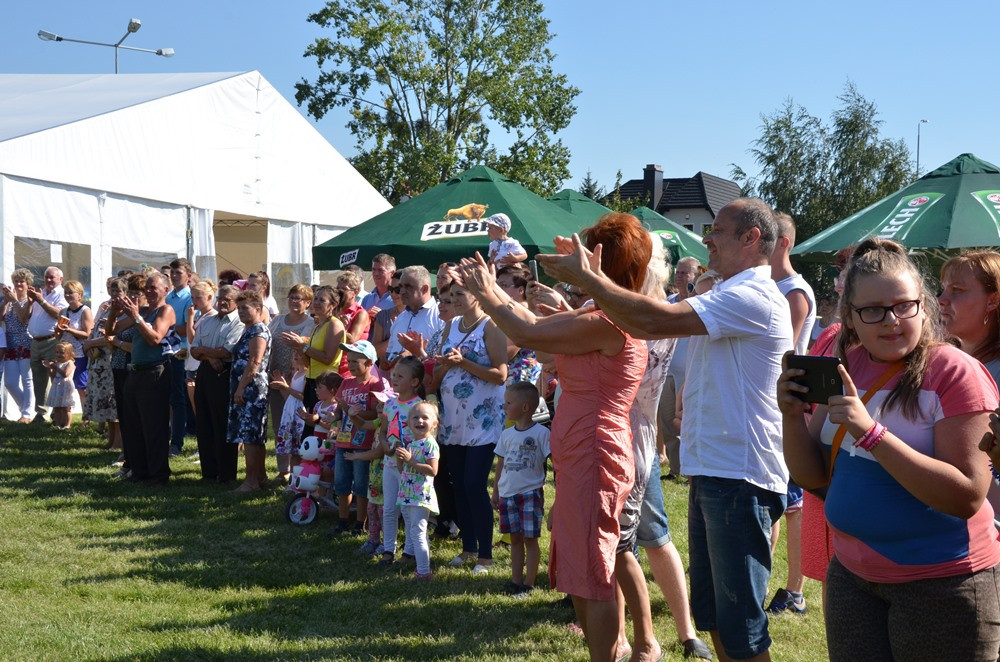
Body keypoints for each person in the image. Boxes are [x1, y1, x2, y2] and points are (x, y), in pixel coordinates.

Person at [537, 199, 791, 662]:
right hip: (716, 471)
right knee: (717, 616)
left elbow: (651, 320)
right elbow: (643, 317)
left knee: (742, 629)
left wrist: (590, 280)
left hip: (741, 477)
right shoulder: (727, 293)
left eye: (716, 229)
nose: (707, 238)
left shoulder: (750, 295)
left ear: (751, 238)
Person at [780, 238, 1000, 661]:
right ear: (851, 317)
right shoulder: (847, 366)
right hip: (852, 576)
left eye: (904, 305)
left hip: (943, 582)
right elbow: (812, 477)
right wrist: (791, 416)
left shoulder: (955, 373)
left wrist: (872, 435)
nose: (892, 321)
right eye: (874, 311)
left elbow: (968, 495)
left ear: (923, 304)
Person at [457, 212, 657, 662]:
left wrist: (488, 292)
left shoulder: (610, 322)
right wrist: (542, 306)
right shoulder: (600, 314)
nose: (581, 257)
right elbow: (544, 345)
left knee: (594, 568)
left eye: (590, 251)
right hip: (581, 449)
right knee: (586, 564)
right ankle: (613, 649)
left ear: (606, 260)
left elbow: (528, 333)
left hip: (595, 451)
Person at [436, 279, 508, 575]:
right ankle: (469, 547)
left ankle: (486, 555)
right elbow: (440, 367)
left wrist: (463, 362)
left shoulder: (491, 326)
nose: (454, 300)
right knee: (457, 485)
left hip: (483, 419)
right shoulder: (450, 326)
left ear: (478, 296)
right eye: (451, 295)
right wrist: (442, 366)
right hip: (453, 419)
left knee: (473, 484)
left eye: (460, 295)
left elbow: (500, 374)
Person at [765, 212, 816, 616]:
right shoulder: (770, 285)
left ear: (783, 243)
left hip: (785, 406)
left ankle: (795, 588)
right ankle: (765, 578)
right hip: (770, 404)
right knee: (775, 500)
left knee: (793, 505)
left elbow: (780, 348)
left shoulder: (794, 290)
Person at [938, 251, 1000, 523]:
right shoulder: (940, 365)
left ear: (993, 300)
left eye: (957, 290)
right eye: (943, 289)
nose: (941, 300)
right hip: (949, 525)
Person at [109, 272, 176, 487]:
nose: (148, 291)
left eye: (153, 287)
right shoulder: (144, 311)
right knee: (133, 425)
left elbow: (155, 337)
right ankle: (139, 471)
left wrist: (136, 317)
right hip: (135, 372)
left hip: (154, 373)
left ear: (166, 289)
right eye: (146, 287)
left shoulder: (166, 310)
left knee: (153, 426)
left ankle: (157, 475)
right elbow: (112, 330)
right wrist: (114, 312)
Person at [491, 381, 550, 596]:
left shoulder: (542, 433)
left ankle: (529, 583)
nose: (504, 406)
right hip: (507, 494)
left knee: (530, 539)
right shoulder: (507, 435)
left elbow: (553, 461)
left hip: (530, 493)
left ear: (525, 407)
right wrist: (496, 491)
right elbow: (501, 464)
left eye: (508, 403)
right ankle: (516, 581)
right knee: (514, 539)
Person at [367, 356, 425, 564]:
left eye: (400, 376)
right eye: (394, 375)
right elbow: (383, 431)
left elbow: (425, 439)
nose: (394, 379)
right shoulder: (390, 404)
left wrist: (407, 452)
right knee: (390, 509)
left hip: (410, 468)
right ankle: (388, 549)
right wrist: (383, 444)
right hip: (389, 464)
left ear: (414, 382)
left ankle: (409, 552)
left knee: (408, 511)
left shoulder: (419, 407)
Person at [189, 285, 244, 483]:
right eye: (220, 298)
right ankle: (208, 472)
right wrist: (210, 357)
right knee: (203, 422)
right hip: (204, 373)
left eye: (227, 299)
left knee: (222, 423)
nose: (222, 302)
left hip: (224, 374)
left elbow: (228, 351)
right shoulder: (207, 321)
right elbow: (194, 350)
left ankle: (226, 473)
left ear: (236, 302)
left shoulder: (239, 322)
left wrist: (206, 353)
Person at [329, 339, 384, 536]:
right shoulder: (346, 382)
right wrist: (334, 419)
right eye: (349, 361)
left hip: (364, 442)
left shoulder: (375, 385)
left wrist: (356, 414)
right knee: (342, 483)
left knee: (361, 485)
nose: (350, 365)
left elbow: (376, 413)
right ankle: (342, 521)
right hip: (344, 440)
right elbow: (340, 410)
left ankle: (361, 523)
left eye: (355, 361)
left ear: (369, 363)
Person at [280, 285, 345, 438]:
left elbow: (327, 358)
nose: (316, 302)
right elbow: (309, 360)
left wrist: (302, 346)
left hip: (326, 382)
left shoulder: (334, 325)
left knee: (319, 429)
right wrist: (298, 347)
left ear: (333, 305)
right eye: (315, 298)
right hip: (311, 381)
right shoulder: (317, 326)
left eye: (321, 300)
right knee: (308, 429)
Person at [657, 256, 700, 476]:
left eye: (685, 273)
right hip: (667, 372)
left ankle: (692, 470)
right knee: (667, 423)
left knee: (688, 423)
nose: (679, 276)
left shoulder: (699, 303)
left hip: (690, 374)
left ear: (696, 276)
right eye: (678, 272)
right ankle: (676, 469)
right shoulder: (669, 302)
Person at [268, 284, 315, 477]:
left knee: (298, 424)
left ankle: (299, 469)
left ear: (308, 303)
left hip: (298, 379)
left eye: (300, 298)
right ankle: (282, 470)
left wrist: (292, 373)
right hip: (276, 377)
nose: (295, 301)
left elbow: (308, 348)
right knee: (280, 423)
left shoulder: (311, 323)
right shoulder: (277, 320)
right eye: (292, 297)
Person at [228, 290, 272, 492]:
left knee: (251, 436)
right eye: (238, 308)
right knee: (253, 435)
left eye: (245, 308)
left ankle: (251, 481)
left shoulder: (258, 331)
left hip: (252, 389)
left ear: (258, 309)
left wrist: (241, 388)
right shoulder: (248, 330)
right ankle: (260, 477)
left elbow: (255, 361)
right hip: (246, 387)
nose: (241, 312)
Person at [393, 400, 441, 581]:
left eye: (425, 417)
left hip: (420, 495)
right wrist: (400, 457)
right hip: (407, 495)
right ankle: (422, 567)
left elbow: (433, 470)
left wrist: (411, 461)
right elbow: (403, 470)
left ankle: (424, 572)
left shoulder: (430, 444)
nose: (420, 421)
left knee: (417, 532)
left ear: (434, 423)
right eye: (415, 417)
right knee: (415, 531)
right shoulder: (411, 443)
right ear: (408, 422)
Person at [83, 277, 124, 449]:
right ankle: (110, 439)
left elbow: (111, 335)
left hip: (111, 359)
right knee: (106, 403)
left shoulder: (123, 309)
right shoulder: (106, 307)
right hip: (99, 360)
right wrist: (90, 345)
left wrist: (92, 343)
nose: (114, 294)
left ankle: (117, 442)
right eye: (112, 290)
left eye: (118, 291)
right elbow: (95, 329)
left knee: (113, 402)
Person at [28, 266, 68, 423]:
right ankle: (41, 413)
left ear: (60, 279)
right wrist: (31, 302)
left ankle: (56, 412)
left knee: (55, 377)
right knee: (38, 379)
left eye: (52, 277)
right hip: (36, 342)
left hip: (52, 341)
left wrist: (41, 300)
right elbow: (28, 316)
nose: (49, 280)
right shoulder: (41, 292)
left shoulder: (61, 294)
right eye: (46, 277)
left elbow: (59, 314)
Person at [383, 266, 442, 370]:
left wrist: (413, 354)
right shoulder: (400, 318)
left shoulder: (440, 316)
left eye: (408, 287)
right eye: (400, 286)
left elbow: (443, 359)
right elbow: (389, 353)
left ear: (424, 289)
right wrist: (386, 361)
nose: (401, 291)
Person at [166, 258, 194, 457]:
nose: (174, 276)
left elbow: (186, 329)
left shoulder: (190, 298)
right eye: (172, 273)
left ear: (188, 276)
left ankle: (177, 442)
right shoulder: (169, 296)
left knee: (179, 399)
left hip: (181, 353)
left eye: (179, 273)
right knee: (169, 398)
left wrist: (164, 326)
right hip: (165, 350)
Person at [2, 270, 36, 422]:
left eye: (21, 281)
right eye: (16, 281)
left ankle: (27, 414)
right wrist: (6, 301)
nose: (18, 284)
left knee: (27, 380)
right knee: (10, 382)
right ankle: (26, 408)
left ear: (28, 284)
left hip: (25, 344)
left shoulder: (30, 300)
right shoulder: (8, 301)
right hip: (10, 345)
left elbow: (23, 318)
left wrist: (14, 300)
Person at [57, 280, 93, 417]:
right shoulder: (63, 311)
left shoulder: (85, 310)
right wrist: (58, 330)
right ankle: (64, 417)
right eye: (66, 293)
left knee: (81, 387)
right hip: (64, 354)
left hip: (79, 353)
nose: (67, 295)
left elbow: (88, 334)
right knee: (64, 386)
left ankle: (86, 417)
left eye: (70, 292)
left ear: (79, 294)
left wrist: (70, 329)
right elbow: (58, 335)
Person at [271, 349, 308, 481]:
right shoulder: (296, 373)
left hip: (299, 414)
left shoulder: (306, 375)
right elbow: (289, 397)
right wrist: (282, 386)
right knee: (293, 452)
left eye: (299, 353)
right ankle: (293, 480)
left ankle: (302, 479)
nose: (296, 356)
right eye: (294, 355)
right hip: (290, 415)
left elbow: (302, 396)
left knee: (300, 450)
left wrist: (286, 387)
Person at [335, 271, 371, 377]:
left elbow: (353, 341)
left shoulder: (361, 313)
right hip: (332, 364)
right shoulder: (334, 310)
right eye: (338, 289)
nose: (339, 293)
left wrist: (338, 325)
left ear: (355, 292)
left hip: (348, 369)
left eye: (343, 290)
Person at [370, 271, 404, 360]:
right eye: (390, 289)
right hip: (385, 369)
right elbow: (374, 352)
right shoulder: (383, 316)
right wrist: (394, 337)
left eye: (397, 290)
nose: (393, 294)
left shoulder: (417, 315)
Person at [43, 341, 76, 429]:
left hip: (66, 386)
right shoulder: (57, 363)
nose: (58, 354)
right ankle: (58, 424)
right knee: (57, 407)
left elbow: (65, 374)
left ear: (69, 353)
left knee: (66, 408)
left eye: (62, 352)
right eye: (57, 352)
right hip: (57, 386)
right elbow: (53, 375)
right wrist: (49, 368)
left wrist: (55, 367)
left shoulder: (70, 363)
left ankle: (67, 425)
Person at [360, 254, 397, 320]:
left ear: (392, 273)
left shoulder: (398, 299)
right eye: (374, 270)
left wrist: (383, 317)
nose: (376, 274)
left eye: (380, 270)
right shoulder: (367, 298)